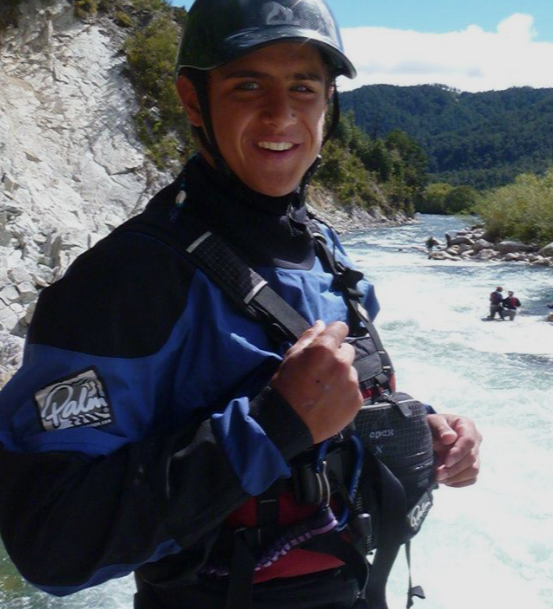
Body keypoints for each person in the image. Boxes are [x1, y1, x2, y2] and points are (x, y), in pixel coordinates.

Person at [0, 1, 482, 608]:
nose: (281, 115)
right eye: (247, 85)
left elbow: (336, 399)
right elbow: (50, 542)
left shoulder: (325, 252)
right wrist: (274, 424)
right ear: (193, 99)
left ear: (327, 103)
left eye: (303, 88)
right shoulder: (127, 282)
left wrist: (424, 426)